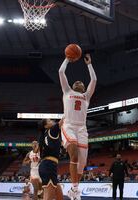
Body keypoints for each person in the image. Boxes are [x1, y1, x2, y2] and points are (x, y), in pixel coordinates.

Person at [59, 53, 97, 200]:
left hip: (82, 128)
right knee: (73, 153)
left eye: (81, 82)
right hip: (68, 125)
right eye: (76, 82)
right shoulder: (67, 91)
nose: (79, 82)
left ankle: (73, 190)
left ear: (83, 87)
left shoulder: (86, 96)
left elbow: (93, 79)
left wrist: (89, 65)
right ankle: (75, 189)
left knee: (82, 165)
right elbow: (61, 72)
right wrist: (67, 59)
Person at [38, 119, 63, 200]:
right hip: (49, 165)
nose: (52, 121)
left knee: (59, 195)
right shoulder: (52, 130)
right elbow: (63, 120)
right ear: (46, 126)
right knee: (49, 196)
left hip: (47, 165)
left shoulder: (44, 135)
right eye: (49, 121)